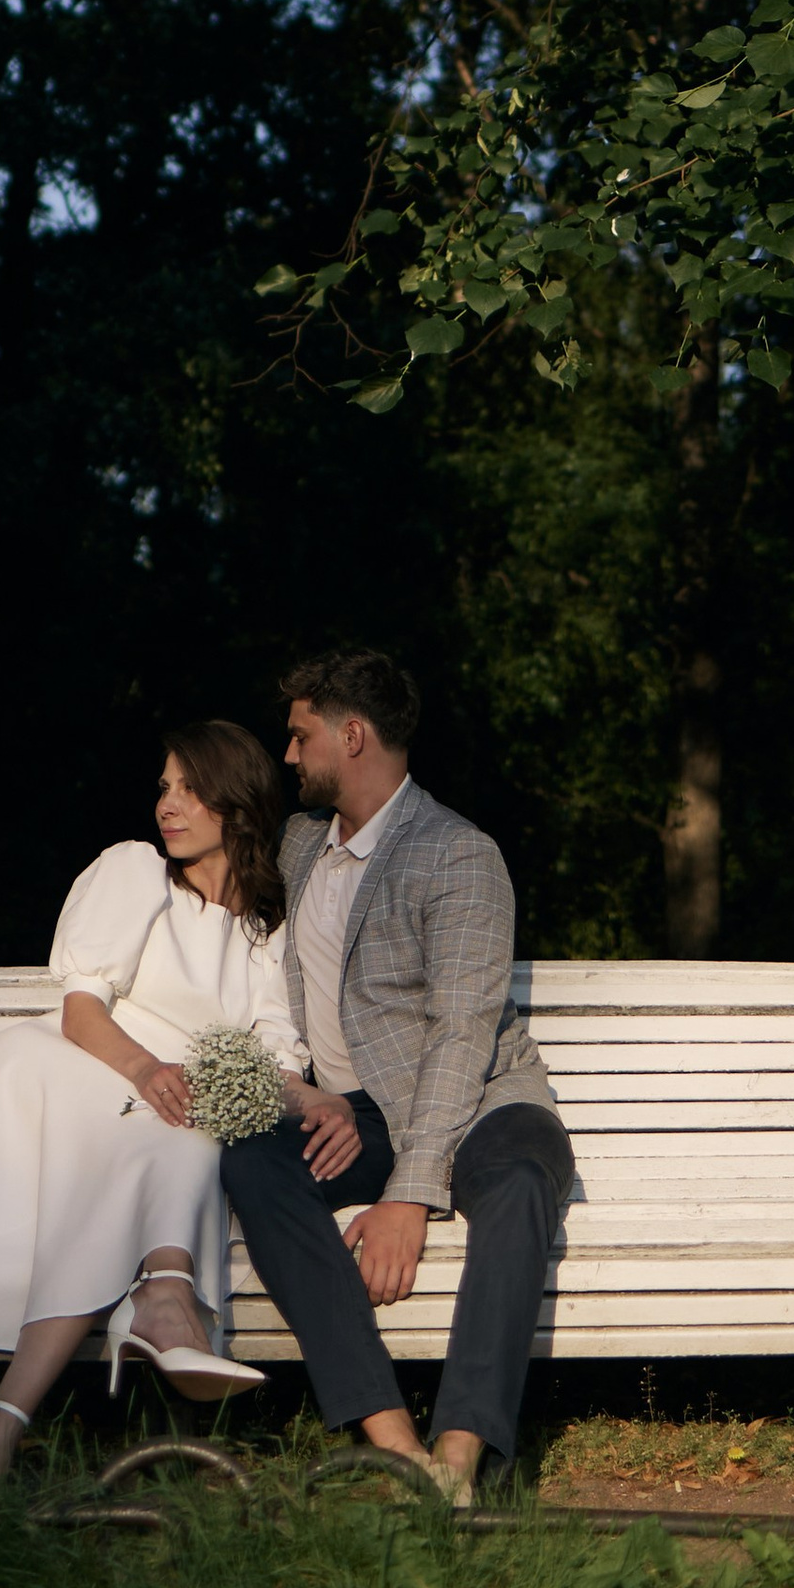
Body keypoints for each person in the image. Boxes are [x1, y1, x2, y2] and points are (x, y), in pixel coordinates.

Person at [0, 718, 359, 1507]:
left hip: (159, 1101)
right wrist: (148, 1067)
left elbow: (274, 1058)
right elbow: (79, 1011)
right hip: (71, 1066)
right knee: (165, 1125)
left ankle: (3, 1420)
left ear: (235, 803)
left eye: (188, 787)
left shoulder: (263, 933)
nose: (167, 804)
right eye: (163, 786)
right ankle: (163, 1297)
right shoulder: (136, 872)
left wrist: (318, 1100)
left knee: (185, 1131)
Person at [220, 644, 574, 1504]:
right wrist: (309, 1093)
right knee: (254, 1160)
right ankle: (392, 1439)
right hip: (365, 1111)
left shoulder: (459, 853)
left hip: (488, 1100)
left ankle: (460, 1459)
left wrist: (407, 1197)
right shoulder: (301, 845)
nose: (290, 755)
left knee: (524, 1181)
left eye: (301, 736)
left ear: (352, 734)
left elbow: (461, 1035)